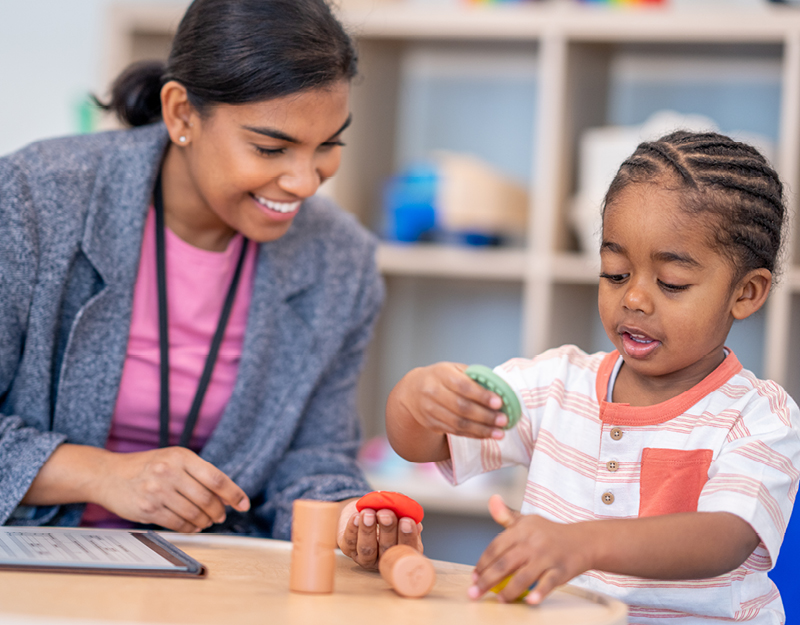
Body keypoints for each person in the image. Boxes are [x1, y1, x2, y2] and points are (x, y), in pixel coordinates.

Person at [0, 0, 420, 569]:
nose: (303, 182)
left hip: (220, 574)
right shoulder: (35, 199)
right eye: (271, 148)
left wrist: (352, 518)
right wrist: (104, 474)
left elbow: (316, 458)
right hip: (31, 561)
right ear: (180, 115)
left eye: (328, 145)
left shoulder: (339, 259)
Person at [386, 130, 800, 622]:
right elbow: (421, 443)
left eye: (671, 284)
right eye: (615, 273)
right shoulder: (556, 384)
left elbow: (724, 537)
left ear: (746, 294)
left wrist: (581, 543)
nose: (634, 299)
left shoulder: (759, 416)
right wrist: (417, 399)